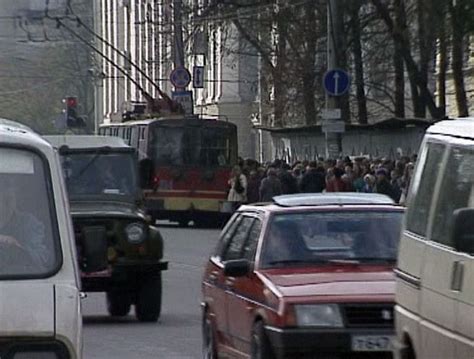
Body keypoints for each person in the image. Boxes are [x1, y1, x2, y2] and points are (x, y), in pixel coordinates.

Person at [0, 180, 52, 271]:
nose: (6, 204)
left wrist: (17, 247)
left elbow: (44, 259)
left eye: (9, 199)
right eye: (2, 199)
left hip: (21, 280)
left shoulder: (29, 223)